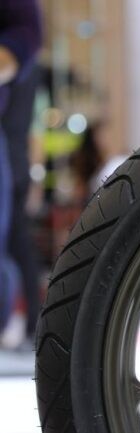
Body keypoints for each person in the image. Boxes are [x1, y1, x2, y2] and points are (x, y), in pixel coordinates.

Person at [0, 0, 42, 337]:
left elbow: (35, 133)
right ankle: (31, 323)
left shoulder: (26, 76)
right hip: (18, 165)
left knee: (17, 248)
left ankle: (31, 323)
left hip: (16, 167)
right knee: (18, 249)